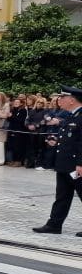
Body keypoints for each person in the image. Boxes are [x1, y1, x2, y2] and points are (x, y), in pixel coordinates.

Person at [33, 87, 82, 235]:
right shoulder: (70, 115)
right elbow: (70, 137)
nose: (59, 100)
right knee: (62, 196)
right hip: (64, 164)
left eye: (63, 97)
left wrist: (80, 163)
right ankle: (54, 225)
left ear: (72, 100)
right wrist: (56, 140)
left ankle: (54, 224)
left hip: (76, 165)